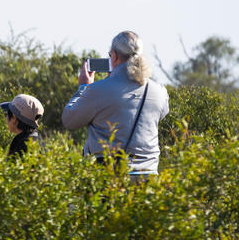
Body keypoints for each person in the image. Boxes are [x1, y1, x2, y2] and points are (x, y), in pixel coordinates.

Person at [61, 31, 169, 178]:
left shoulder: (97, 90)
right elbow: (156, 117)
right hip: (148, 177)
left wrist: (83, 88)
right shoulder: (160, 91)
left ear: (115, 56)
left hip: (110, 176)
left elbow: (69, 120)